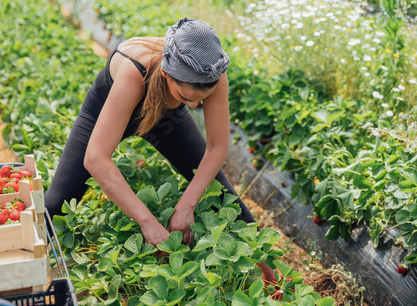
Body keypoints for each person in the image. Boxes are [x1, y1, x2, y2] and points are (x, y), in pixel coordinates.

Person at [44, 17, 277, 282]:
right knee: (55, 203)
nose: (193, 107)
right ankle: (28, 268)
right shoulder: (135, 71)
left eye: (201, 100)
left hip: (167, 115)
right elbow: (96, 158)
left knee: (223, 191)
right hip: (111, 110)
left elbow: (217, 147)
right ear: (167, 74)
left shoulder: (212, 72)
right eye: (188, 99)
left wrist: (186, 205)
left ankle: (274, 278)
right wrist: (149, 224)